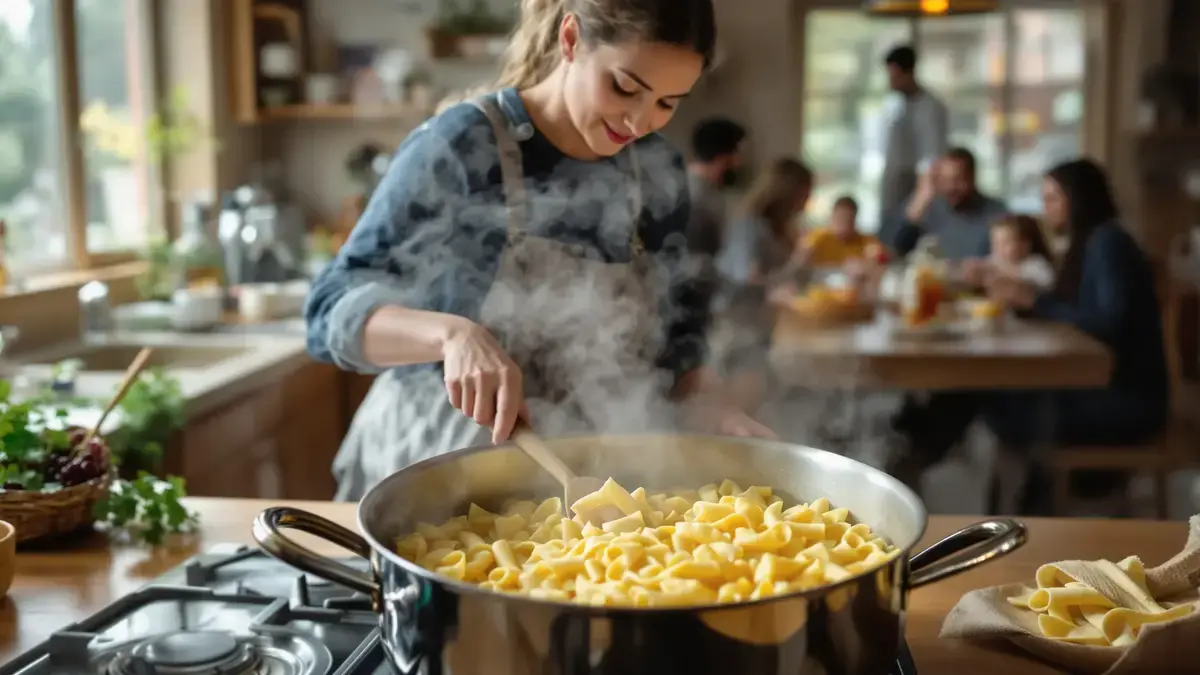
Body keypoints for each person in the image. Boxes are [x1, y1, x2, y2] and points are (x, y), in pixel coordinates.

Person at [305, 0, 773, 501]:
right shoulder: (464, 144)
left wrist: (705, 394)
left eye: (667, 102)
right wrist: (450, 336)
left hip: (590, 468)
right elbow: (327, 312)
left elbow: (677, 331)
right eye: (624, 87)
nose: (640, 122)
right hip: (438, 463)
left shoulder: (656, 168)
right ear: (570, 39)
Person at [889, 159, 1169, 510]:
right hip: (1102, 387)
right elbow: (1083, 312)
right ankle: (911, 456)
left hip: (1127, 402)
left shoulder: (1108, 243)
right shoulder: (1093, 241)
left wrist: (1033, 299)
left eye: (1053, 197)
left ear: (1079, 198)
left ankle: (912, 459)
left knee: (987, 391)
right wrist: (1029, 299)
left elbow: (1108, 324)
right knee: (983, 387)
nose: (1045, 207)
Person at [711, 158, 813, 412]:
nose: (807, 201)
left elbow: (785, 279)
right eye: (805, 193)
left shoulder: (780, 228)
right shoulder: (750, 226)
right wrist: (797, 263)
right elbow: (750, 279)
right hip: (737, 332)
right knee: (742, 414)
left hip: (760, 331)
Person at [885, 147, 1008, 261]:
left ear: (972, 177)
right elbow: (894, 249)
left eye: (958, 180)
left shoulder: (996, 212)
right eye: (944, 180)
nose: (950, 187)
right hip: (932, 282)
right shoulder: (925, 208)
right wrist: (920, 200)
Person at [878, 45, 948, 227]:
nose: (890, 82)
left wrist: (922, 195)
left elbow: (932, 156)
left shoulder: (930, 107)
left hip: (915, 185)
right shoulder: (894, 104)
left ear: (908, 73)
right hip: (893, 183)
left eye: (894, 76)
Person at [685, 117, 747, 261]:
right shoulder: (696, 198)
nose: (740, 163)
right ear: (722, 157)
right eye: (738, 154)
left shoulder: (709, 192)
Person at [963, 214, 1056, 291]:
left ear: (1025, 245)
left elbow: (1048, 285)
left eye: (1005, 243)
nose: (998, 248)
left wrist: (1006, 274)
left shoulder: (1035, 264)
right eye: (995, 243)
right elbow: (980, 266)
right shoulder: (994, 261)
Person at [799, 196, 882, 267]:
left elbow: (881, 258)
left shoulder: (866, 241)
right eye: (841, 219)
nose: (844, 226)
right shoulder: (818, 238)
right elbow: (800, 260)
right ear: (832, 217)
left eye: (848, 220)